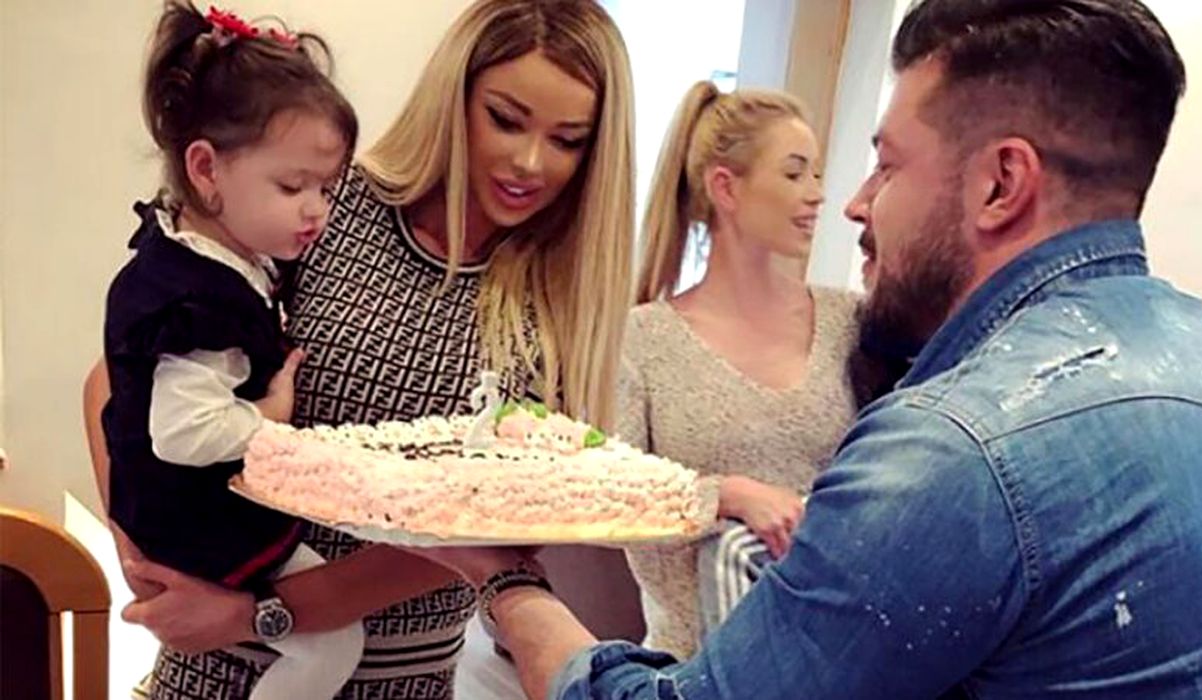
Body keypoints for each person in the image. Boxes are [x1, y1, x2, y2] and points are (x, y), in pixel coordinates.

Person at [413, 1, 1202, 697]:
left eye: (887, 165)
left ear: (1001, 185)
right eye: (802, 172)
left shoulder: (954, 445)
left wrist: (505, 580)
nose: (849, 201)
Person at [87, 0, 638, 697]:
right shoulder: (329, 206)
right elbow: (119, 380)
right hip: (212, 667)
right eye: (504, 118)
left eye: (568, 140)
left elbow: (470, 537)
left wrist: (259, 613)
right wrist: (142, 551)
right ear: (455, 99)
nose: (529, 161)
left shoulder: (559, 305)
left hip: (396, 678)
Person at [102, 3, 363, 697]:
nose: (317, 210)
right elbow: (183, 430)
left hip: (180, 511)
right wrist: (270, 422)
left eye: (327, 188)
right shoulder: (198, 299)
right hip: (196, 522)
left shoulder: (204, 256)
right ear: (206, 168)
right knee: (336, 641)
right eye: (292, 186)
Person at [617, 82, 873, 659]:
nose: (817, 194)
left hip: (834, 659)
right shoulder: (644, 340)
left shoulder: (850, 321)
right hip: (689, 665)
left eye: (815, 174)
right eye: (794, 173)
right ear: (726, 187)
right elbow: (612, 502)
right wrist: (724, 495)